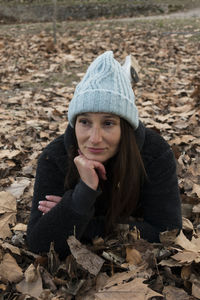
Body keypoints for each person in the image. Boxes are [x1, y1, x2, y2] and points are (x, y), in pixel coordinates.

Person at [27, 51, 182, 259]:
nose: (94, 138)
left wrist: (76, 218)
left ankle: (124, 77)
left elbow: (167, 231)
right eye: (85, 122)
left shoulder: (155, 154)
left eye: (108, 123)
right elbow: (39, 243)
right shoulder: (54, 157)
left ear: (125, 127)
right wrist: (83, 193)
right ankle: (123, 77)